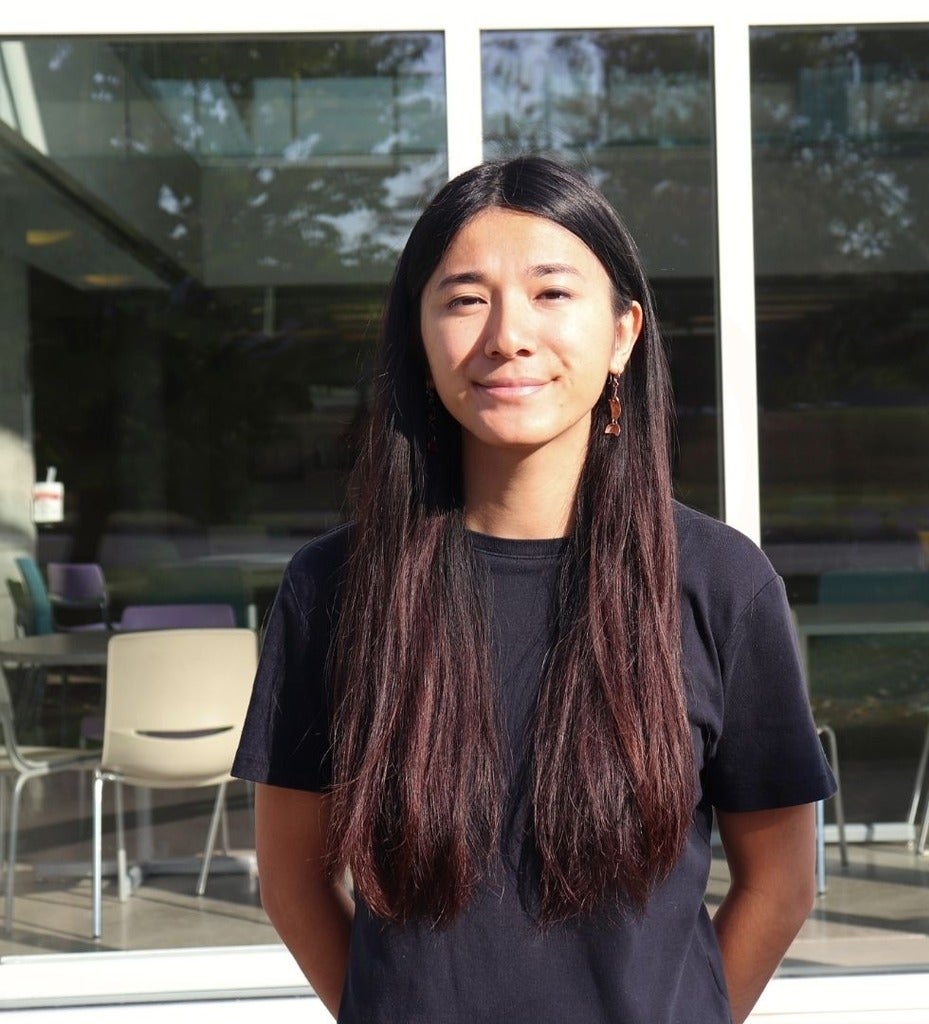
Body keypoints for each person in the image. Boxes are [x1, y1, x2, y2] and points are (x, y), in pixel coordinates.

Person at [232, 155, 836, 1024]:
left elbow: (781, 883)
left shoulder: (720, 583)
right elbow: (291, 879)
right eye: (465, 298)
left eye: (552, 293)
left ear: (625, 332)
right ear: (418, 335)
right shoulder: (331, 589)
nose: (508, 334)